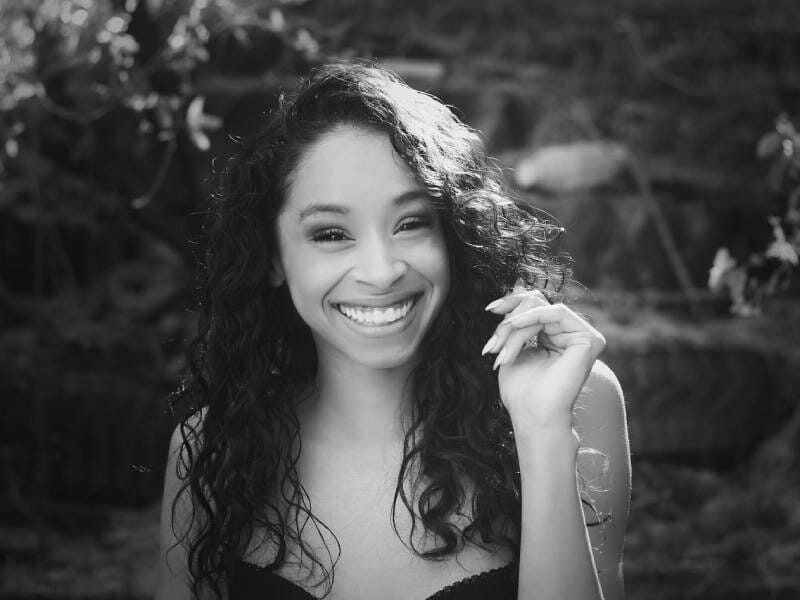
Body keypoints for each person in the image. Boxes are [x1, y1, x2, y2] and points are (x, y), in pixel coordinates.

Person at [156, 61, 631, 600]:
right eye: (332, 233)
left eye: (411, 223)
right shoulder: (209, 450)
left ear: (452, 234)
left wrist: (542, 433)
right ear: (272, 258)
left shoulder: (573, 401)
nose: (381, 271)